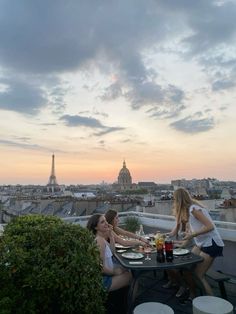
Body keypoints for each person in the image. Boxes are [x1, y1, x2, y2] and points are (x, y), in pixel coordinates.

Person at [172, 187, 224, 297]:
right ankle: (193, 294)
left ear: (179, 200)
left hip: (212, 244)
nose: (174, 202)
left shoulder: (193, 209)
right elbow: (194, 231)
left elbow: (210, 226)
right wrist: (180, 243)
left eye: (175, 200)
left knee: (198, 274)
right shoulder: (189, 211)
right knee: (187, 269)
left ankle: (212, 302)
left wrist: (192, 234)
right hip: (201, 244)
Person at [87, 213, 131, 292]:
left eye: (106, 221)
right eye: (102, 222)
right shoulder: (99, 241)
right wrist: (114, 272)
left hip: (106, 273)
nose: (106, 223)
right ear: (96, 227)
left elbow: (112, 252)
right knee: (130, 276)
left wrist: (111, 236)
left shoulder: (101, 239)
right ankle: (130, 302)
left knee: (127, 270)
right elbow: (100, 267)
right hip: (102, 280)